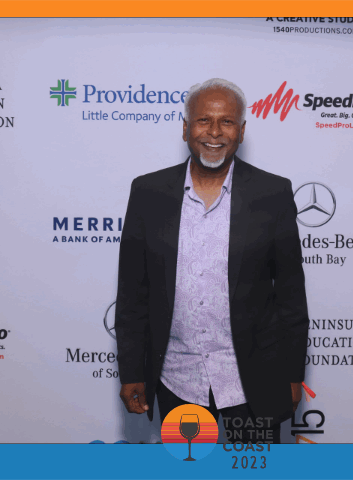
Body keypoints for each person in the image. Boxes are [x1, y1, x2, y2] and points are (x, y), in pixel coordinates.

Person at [115, 78, 308, 444]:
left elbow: (290, 296)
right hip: (177, 379)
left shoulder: (273, 193)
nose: (215, 132)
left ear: (242, 131)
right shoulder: (147, 193)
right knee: (188, 465)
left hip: (254, 381)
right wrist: (132, 371)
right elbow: (132, 294)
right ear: (185, 128)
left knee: (255, 468)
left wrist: (292, 374)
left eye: (227, 121)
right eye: (204, 120)